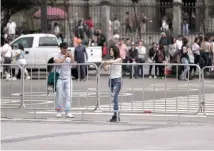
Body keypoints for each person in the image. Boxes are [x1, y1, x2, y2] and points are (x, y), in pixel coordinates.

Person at [54, 42, 76, 118]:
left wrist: (72, 57)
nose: (65, 49)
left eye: (66, 48)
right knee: (59, 95)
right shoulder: (57, 55)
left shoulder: (69, 55)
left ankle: (68, 111)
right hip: (60, 78)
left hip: (68, 78)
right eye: (64, 48)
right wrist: (64, 57)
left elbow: (74, 65)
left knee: (68, 95)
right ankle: (59, 111)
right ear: (60, 48)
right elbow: (58, 63)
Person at [103, 45, 122, 122]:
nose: (110, 52)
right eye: (110, 50)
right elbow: (106, 69)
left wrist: (107, 62)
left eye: (112, 50)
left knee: (114, 96)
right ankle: (115, 114)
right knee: (114, 98)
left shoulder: (119, 59)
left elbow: (114, 62)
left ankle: (116, 115)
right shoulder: (111, 60)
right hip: (111, 80)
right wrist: (105, 64)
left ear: (115, 51)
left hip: (117, 80)